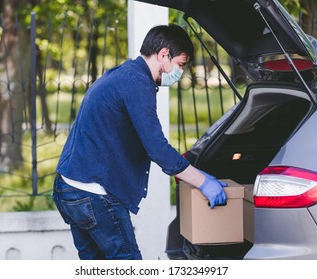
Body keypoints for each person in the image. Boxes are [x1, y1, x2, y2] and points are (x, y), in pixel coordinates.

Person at [52, 24, 227, 260]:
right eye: (180, 64)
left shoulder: (124, 74)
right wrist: (203, 181)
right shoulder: (137, 83)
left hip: (70, 187)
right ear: (164, 54)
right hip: (93, 194)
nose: (180, 72)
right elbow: (156, 147)